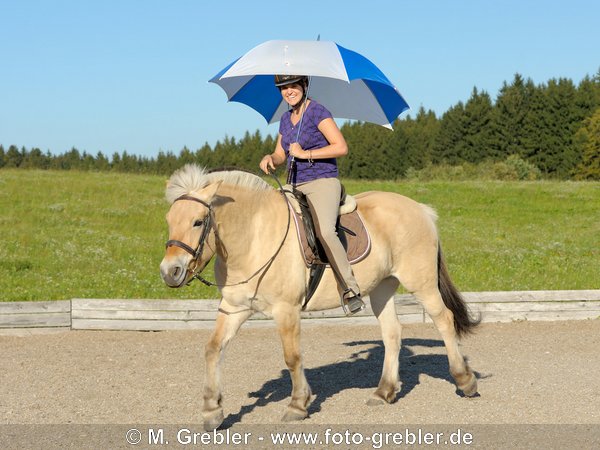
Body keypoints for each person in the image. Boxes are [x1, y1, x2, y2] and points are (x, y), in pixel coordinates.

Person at [259, 74, 365, 315]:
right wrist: (271, 158)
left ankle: (350, 290)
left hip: (322, 181)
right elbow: (281, 153)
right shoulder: (285, 120)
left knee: (325, 230)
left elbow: (341, 147)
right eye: (284, 88)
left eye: (293, 86)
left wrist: (306, 153)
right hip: (293, 184)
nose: (289, 91)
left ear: (304, 86)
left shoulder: (318, 111)